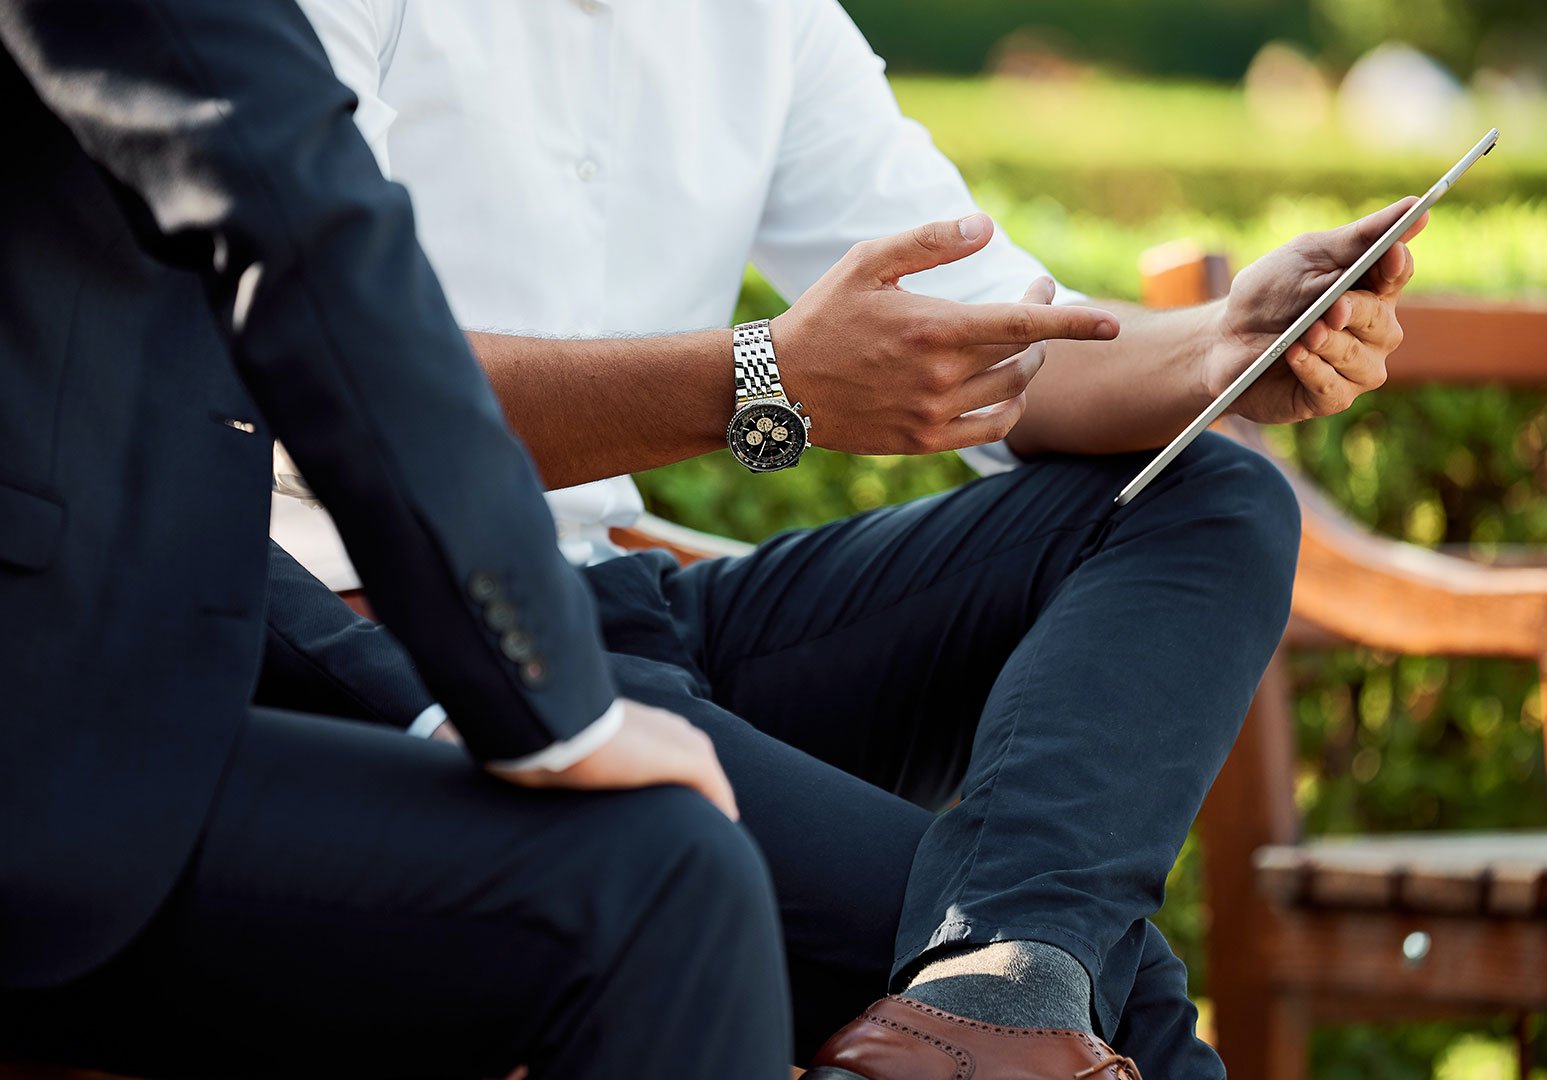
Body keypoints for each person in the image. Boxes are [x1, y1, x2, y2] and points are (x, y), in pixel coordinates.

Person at [271, 1, 1428, 1076]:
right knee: (1108, 993)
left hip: (629, 606)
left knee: (1209, 498)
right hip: (389, 636)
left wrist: (1223, 346)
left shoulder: (765, 21)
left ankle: (995, 985)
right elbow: (336, 383)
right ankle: (1001, 992)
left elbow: (1000, 339)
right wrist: (760, 380)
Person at [0, 0, 851, 1075]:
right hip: (62, 743)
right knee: (662, 880)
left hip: (162, 693)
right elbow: (306, 232)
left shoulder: (774, 28)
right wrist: (550, 705)